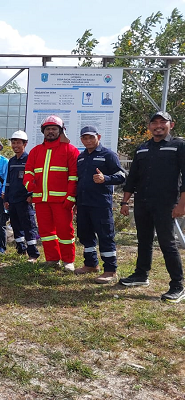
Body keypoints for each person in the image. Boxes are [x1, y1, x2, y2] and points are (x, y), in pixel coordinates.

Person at [120, 111, 185, 303]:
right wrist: (125, 201)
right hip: (143, 202)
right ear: (149, 127)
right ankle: (141, 275)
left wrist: (182, 204)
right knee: (144, 240)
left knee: (167, 244)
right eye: (154, 122)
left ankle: (177, 286)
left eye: (162, 122)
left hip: (166, 203)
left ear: (170, 125)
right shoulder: (142, 148)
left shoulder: (179, 146)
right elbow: (133, 178)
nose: (158, 125)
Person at [24, 115, 80, 271]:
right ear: (43, 131)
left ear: (60, 131)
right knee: (46, 232)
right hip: (41, 199)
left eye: (54, 129)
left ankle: (68, 261)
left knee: (65, 231)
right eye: (48, 129)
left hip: (61, 200)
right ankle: (52, 259)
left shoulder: (70, 150)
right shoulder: (35, 151)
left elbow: (74, 176)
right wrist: (29, 183)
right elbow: (28, 171)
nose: (50, 132)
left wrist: (70, 197)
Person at [74, 126, 126, 283]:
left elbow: (122, 175)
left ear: (99, 137)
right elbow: (79, 181)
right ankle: (90, 264)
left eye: (91, 137)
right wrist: (77, 202)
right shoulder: (81, 157)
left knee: (105, 236)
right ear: (81, 140)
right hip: (83, 204)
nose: (88, 141)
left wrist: (106, 179)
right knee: (85, 235)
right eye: (85, 138)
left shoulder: (108, 155)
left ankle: (110, 270)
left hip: (100, 204)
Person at [4, 130, 40, 261]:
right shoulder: (12, 161)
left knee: (28, 226)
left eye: (18, 143)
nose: (15, 146)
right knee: (15, 225)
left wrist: (31, 194)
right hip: (12, 199)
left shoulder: (30, 160)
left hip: (24, 199)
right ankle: (21, 249)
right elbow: (8, 181)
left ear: (25, 144)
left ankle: (33, 253)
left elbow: (34, 179)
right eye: (13, 143)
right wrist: (6, 198)